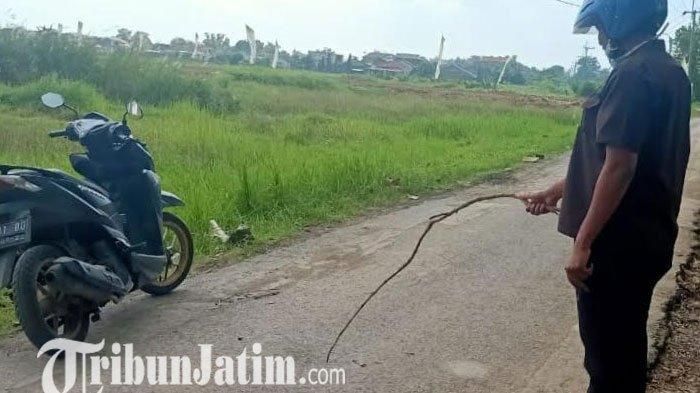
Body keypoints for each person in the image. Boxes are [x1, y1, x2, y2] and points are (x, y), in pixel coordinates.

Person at [517, 0, 691, 391]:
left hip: (616, 248)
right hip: (649, 239)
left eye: (600, 27)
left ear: (620, 18)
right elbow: (621, 162)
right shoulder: (671, 72)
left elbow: (620, 167)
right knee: (624, 352)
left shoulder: (631, 74)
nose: (598, 38)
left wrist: (583, 243)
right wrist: (558, 191)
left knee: (608, 365)